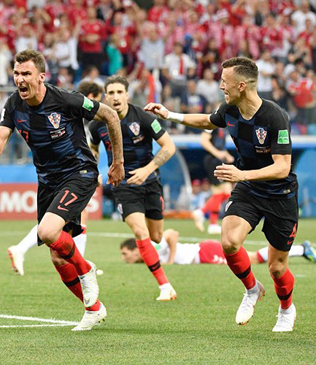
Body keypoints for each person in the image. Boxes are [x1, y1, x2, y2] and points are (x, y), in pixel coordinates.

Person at [0, 49, 124, 331]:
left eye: (26, 73)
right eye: (16, 73)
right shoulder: (13, 104)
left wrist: (117, 163)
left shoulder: (66, 99)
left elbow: (111, 116)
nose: (19, 79)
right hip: (48, 182)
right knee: (56, 255)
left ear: (42, 77)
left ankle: (86, 269)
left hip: (79, 172)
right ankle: (93, 308)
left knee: (47, 232)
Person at [145, 57, 299, 332]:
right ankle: (252, 289)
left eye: (224, 82)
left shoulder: (275, 116)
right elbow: (207, 121)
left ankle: (286, 308)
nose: (220, 86)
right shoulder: (229, 108)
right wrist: (171, 115)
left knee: (277, 268)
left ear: (242, 85)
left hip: (279, 193)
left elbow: (282, 167)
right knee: (229, 242)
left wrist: (242, 175)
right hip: (249, 189)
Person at [89, 75, 177, 302]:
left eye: (120, 92)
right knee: (140, 232)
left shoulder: (145, 119)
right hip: (123, 185)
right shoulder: (97, 123)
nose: (116, 97)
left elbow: (169, 147)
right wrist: (93, 168)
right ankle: (165, 286)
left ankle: (168, 241)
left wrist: (147, 170)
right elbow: (92, 147)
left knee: (156, 237)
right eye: (111, 93)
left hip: (150, 182)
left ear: (127, 95)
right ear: (105, 96)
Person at [7, 81, 104, 277]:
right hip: (67, 174)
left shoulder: (74, 113)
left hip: (69, 174)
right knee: (59, 222)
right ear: (92, 96)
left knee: (53, 223)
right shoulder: (72, 110)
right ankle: (81, 265)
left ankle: (23, 249)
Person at [120, 229, 316, 266]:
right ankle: (301, 249)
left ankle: (301, 249)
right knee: (251, 258)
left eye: (125, 254)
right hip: (203, 254)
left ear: (136, 249)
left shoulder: (151, 249)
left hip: (204, 252)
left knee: (252, 259)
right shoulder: (145, 259)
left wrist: (170, 260)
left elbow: (172, 234)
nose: (124, 258)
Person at [192, 127, 235, 235]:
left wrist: (226, 155)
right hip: (212, 160)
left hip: (218, 160)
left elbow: (220, 146)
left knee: (221, 193)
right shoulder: (212, 123)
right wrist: (217, 153)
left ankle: (212, 224)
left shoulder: (224, 126)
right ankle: (201, 212)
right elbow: (204, 140)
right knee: (225, 191)